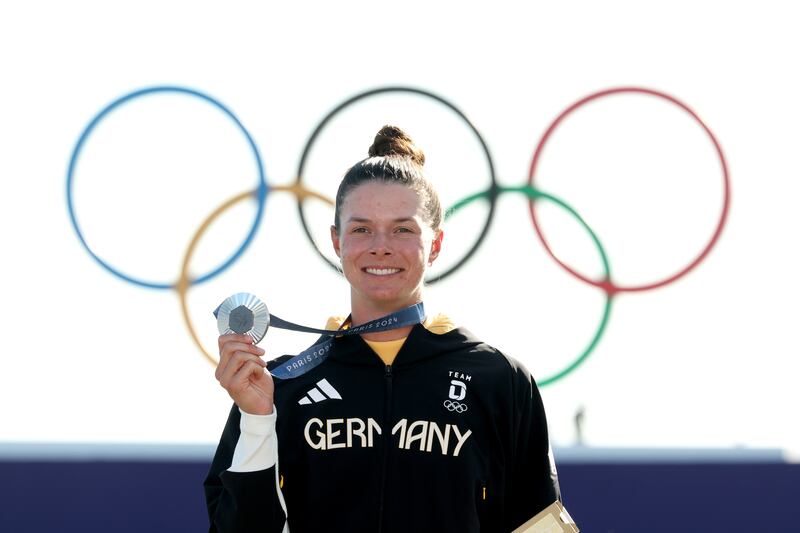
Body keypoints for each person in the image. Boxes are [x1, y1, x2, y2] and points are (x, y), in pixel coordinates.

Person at [204, 125, 561, 532]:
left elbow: (540, 525)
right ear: (337, 242)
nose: (381, 246)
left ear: (437, 245)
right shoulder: (280, 388)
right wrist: (256, 421)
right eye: (361, 229)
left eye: (403, 229)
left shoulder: (500, 381)